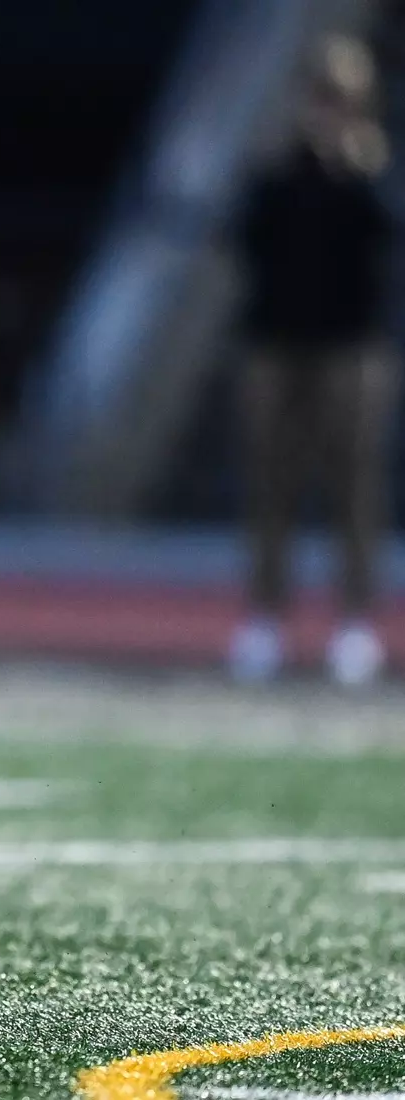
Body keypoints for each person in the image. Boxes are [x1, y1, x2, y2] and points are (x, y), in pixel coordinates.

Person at [228, 33, 398, 687]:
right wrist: (304, 163)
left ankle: (355, 624)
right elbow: (248, 238)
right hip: (276, 343)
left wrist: (359, 171)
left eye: (343, 97)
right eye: (323, 94)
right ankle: (264, 621)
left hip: (351, 348)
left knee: (354, 491)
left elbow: (385, 241)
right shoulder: (278, 170)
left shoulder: (373, 174)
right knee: (270, 485)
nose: (330, 107)